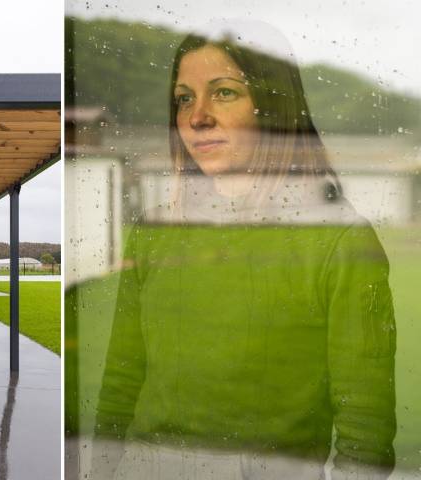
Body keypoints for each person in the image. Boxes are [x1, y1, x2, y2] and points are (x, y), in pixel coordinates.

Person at [93, 24, 397, 480]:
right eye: (183, 98)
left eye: (224, 93)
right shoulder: (154, 231)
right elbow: (121, 382)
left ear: (274, 108)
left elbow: (365, 432)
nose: (197, 117)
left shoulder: (340, 240)